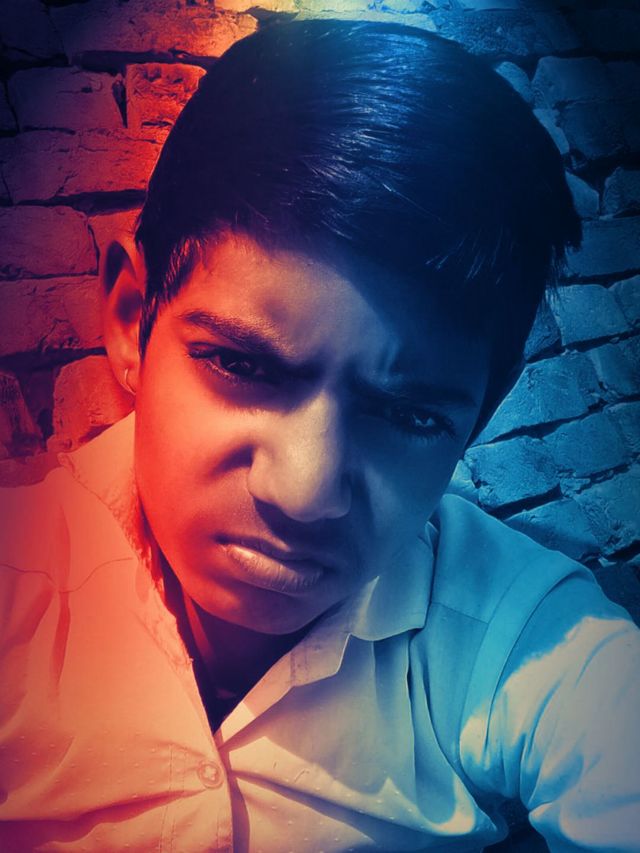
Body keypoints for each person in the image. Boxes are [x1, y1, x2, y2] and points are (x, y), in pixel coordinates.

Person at [1, 18, 638, 853]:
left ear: (480, 413)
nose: (303, 492)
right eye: (241, 365)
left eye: (411, 415)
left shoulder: (522, 634)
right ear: (130, 319)